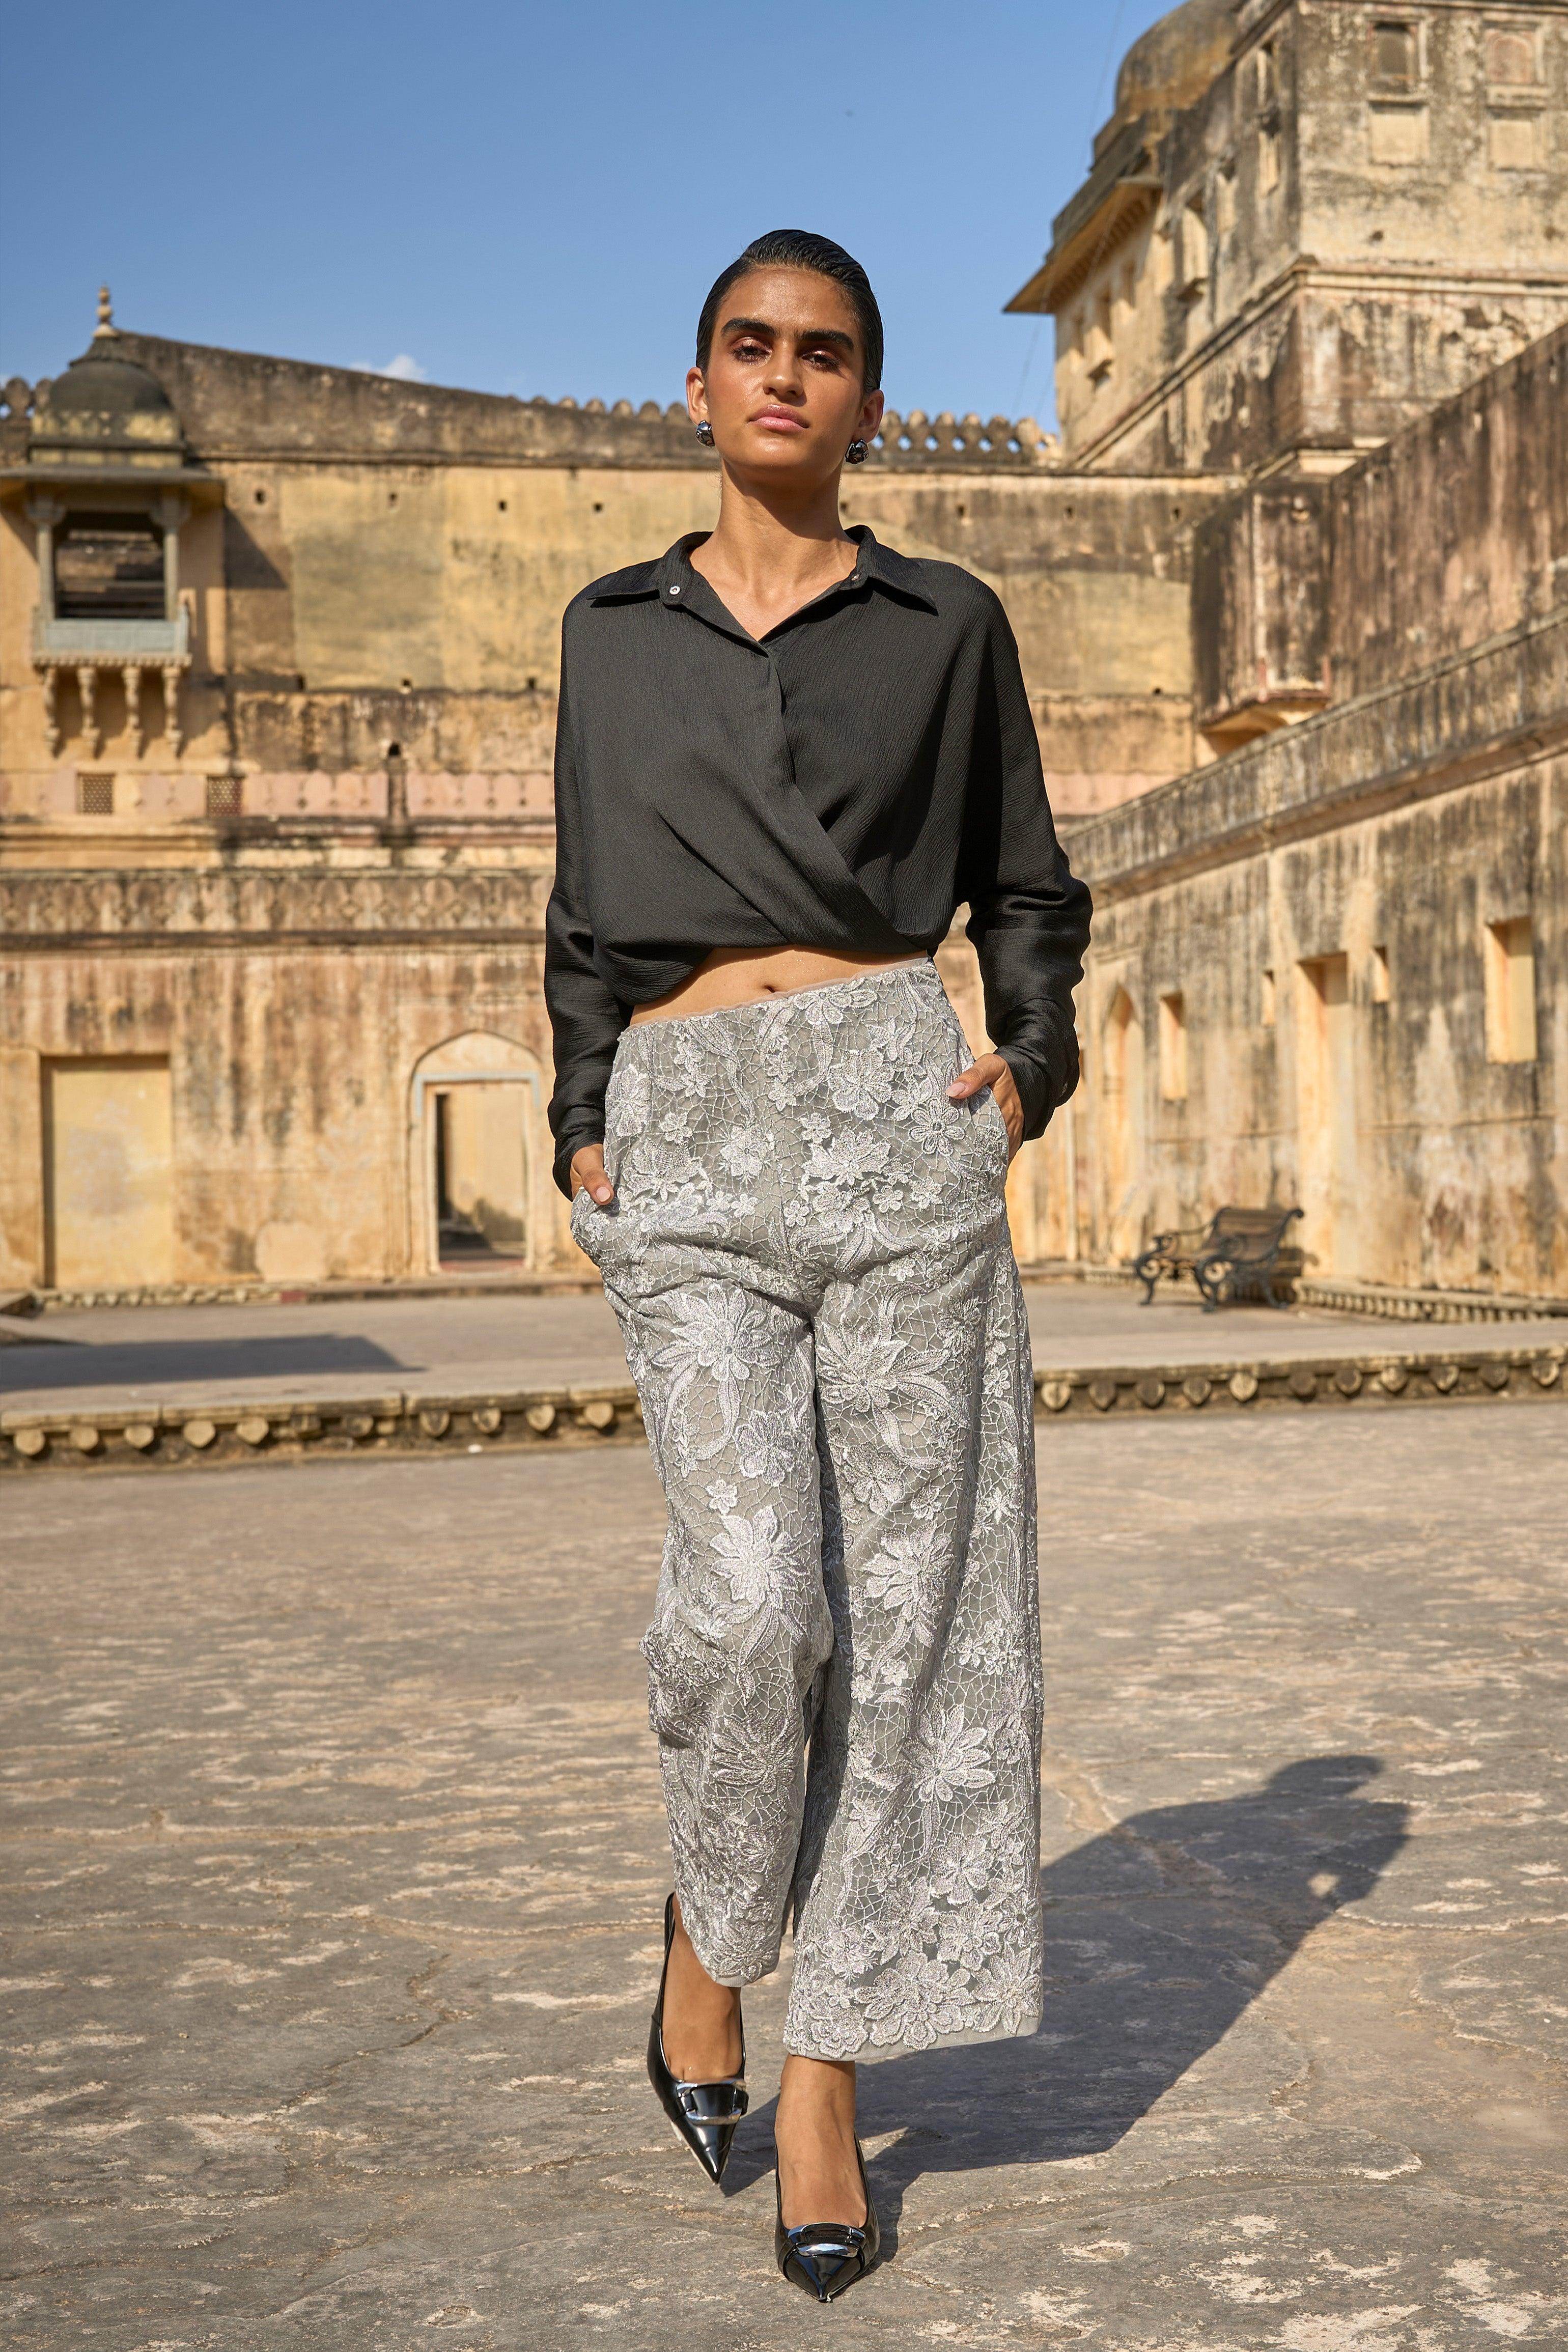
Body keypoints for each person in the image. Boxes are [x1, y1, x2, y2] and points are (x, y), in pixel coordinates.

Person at [545, 228, 1091, 2303]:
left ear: (871, 399)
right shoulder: (611, 632)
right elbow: (583, 907)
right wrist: (580, 1111)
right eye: (751, 346)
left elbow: (1025, 881)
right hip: (684, 1132)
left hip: (891, 1118)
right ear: (696, 384)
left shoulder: (946, 625)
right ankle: (707, 1935)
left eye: (827, 353)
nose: (786, 376)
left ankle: (823, 2080)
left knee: (914, 1623)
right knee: (756, 1600)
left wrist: (1022, 1064)